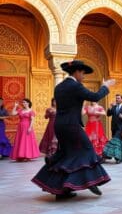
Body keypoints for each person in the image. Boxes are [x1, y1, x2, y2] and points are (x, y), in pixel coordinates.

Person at [32, 60, 115, 200]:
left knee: (67, 154)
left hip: (59, 125)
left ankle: (63, 190)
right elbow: (94, 97)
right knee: (88, 150)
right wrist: (105, 86)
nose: (84, 76)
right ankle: (89, 180)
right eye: (83, 73)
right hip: (71, 126)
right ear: (76, 72)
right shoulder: (75, 86)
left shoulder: (59, 87)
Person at [103, 94, 122, 164]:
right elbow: (108, 114)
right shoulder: (114, 107)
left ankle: (115, 157)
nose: (117, 99)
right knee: (119, 142)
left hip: (121, 127)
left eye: (118, 98)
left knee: (115, 140)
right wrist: (110, 107)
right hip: (113, 127)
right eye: (116, 98)